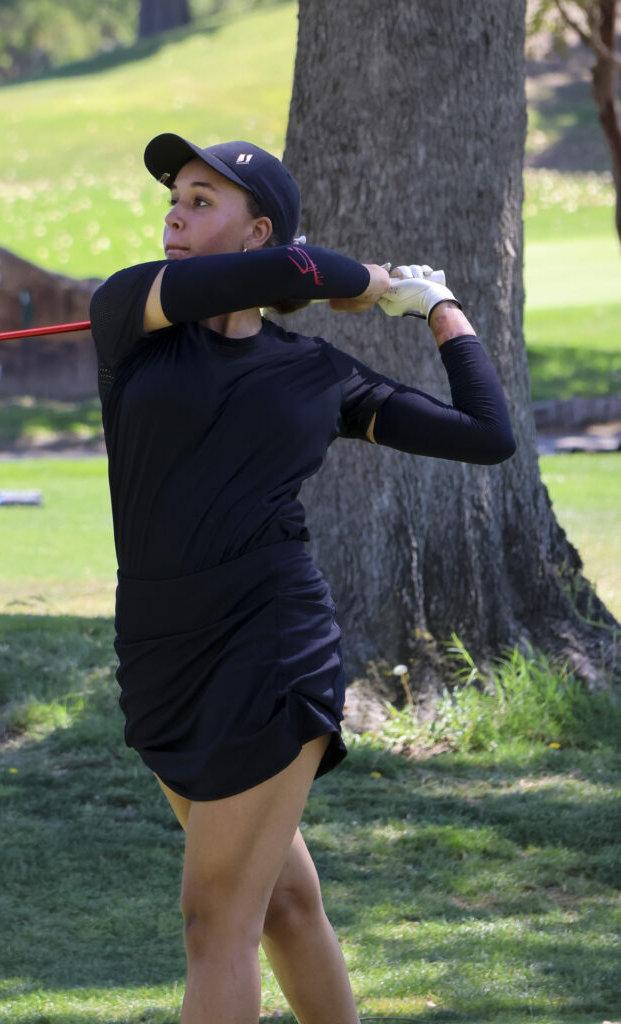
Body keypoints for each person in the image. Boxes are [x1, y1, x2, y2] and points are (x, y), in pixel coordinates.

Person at [89, 133, 515, 1024]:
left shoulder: (316, 373)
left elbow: (484, 434)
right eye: (175, 195)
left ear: (257, 231)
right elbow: (303, 268)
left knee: (216, 924)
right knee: (281, 905)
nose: (175, 209)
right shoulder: (130, 310)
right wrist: (362, 281)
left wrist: (438, 308)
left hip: (266, 641)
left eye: (204, 200)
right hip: (161, 652)